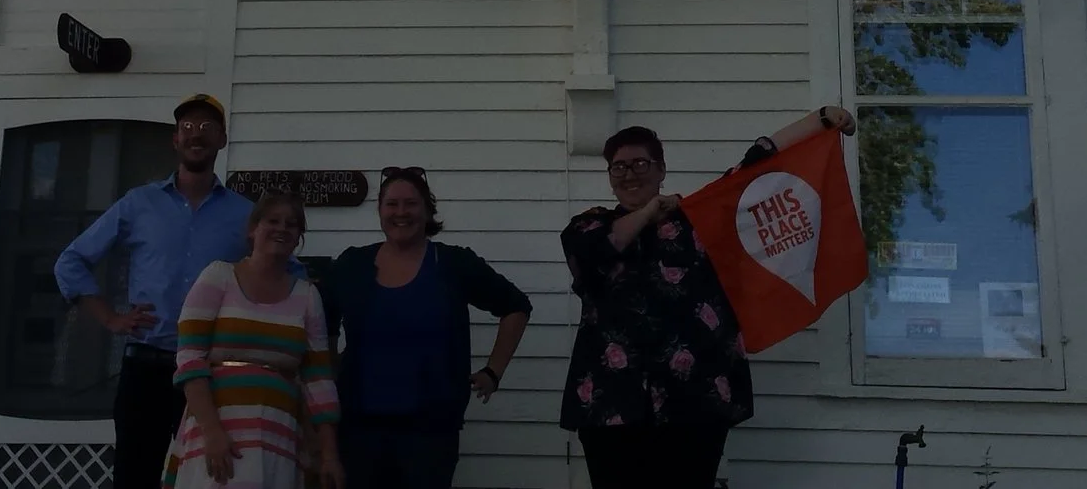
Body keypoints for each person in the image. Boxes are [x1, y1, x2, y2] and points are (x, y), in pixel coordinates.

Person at [559, 106, 860, 489]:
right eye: (619, 167)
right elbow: (602, 248)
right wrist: (651, 211)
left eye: (640, 164)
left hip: (694, 399)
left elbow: (756, 163)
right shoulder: (587, 225)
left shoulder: (699, 218)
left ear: (661, 170)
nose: (629, 174)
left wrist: (821, 120)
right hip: (611, 404)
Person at [56, 95, 255, 489]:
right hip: (146, 369)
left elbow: (284, 272)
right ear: (175, 140)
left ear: (222, 140)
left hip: (214, 374)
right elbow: (71, 261)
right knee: (135, 478)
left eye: (207, 127)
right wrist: (110, 318)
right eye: (187, 127)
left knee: (210, 480)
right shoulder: (139, 203)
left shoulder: (246, 214)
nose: (196, 134)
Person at [323, 167, 533, 489]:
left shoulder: (453, 264)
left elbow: (516, 307)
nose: (401, 212)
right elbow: (322, 319)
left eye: (411, 203)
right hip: (358, 430)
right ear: (380, 210)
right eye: (392, 204)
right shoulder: (352, 265)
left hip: (431, 434)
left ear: (427, 210)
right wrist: (329, 371)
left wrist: (493, 371)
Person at [163, 189, 344, 489]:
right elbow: (190, 359)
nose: (282, 228)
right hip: (217, 434)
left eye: (291, 224)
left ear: (298, 237)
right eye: (273, 221)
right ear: (253, 229)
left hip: (278, 437)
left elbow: (319, 381)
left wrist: (328, 455)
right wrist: (212, 431)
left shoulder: (307, 296)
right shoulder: (218, 276)